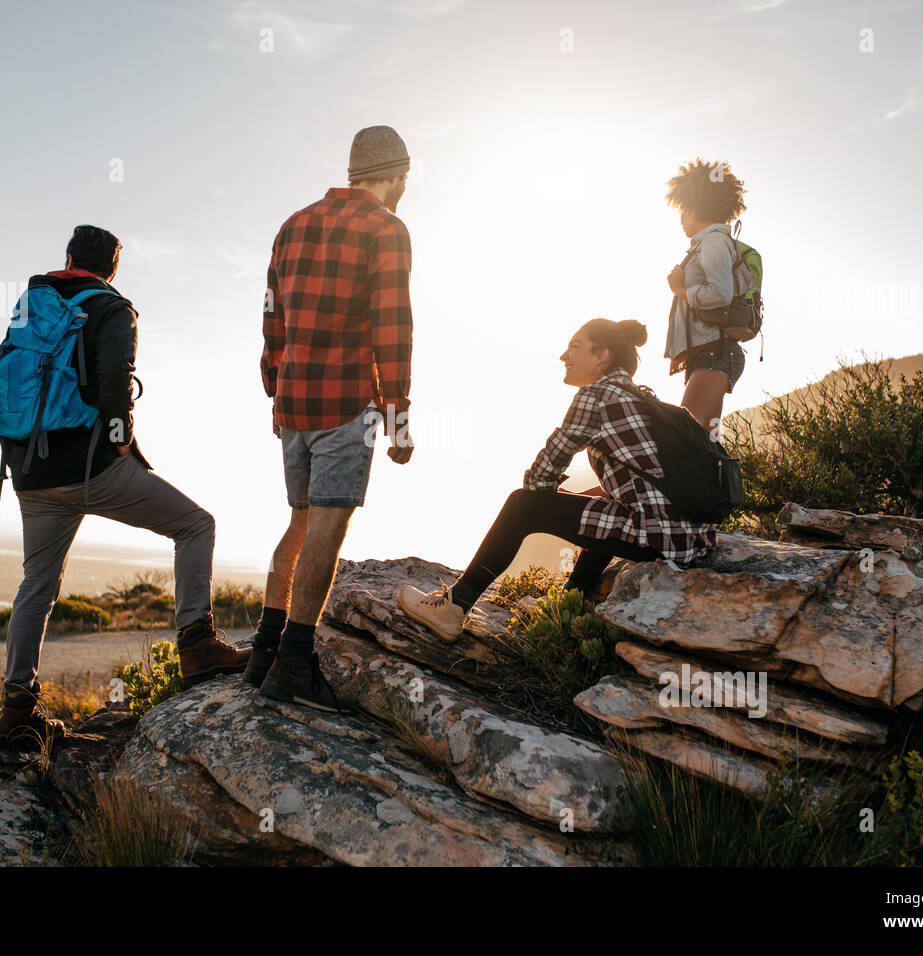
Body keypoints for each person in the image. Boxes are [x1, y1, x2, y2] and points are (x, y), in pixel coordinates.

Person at [0, 225, 249, 749]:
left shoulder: (32, 304)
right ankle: (196, 644)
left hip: (30, 475)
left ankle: (18, 709)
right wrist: (122, 445)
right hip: (94, 469)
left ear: (66, 257)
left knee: (36, 588)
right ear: (111, 269)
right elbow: (115, 386)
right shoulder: (113, 308)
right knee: (195, 525)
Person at [396, 319, 717, 642]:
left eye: (575, 347)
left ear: (601, 355)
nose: (564, 356)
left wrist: (548, 496)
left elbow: (537, 480)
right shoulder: (638, 395)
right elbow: (641, 485)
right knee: (601, 506)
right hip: (690, 536)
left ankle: (453, 608)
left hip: (658, 537)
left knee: (522, 505)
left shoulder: (597, 395)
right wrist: (566, 497)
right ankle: (572, 600)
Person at [247, 126, 415, 712]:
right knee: (327, 528)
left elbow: (272, 316)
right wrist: (396, 414)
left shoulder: (292, 225)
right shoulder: (387, 229)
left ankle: (263, 649)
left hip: (294, 401)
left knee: (299, 520)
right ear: (396, 176)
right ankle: (294, 662)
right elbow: (394, 327)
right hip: (348, 403)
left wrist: (275, 389)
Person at [663, 158, 750, 433]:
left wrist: (680, 289)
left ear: (696, 206)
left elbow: (720, 295)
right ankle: (725, 479)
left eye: (683, 210)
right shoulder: (706, 245)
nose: (681, 218)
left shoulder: (713, 241)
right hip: (709, 357)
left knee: (683, 438)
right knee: (706, 448)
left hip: (716, 355)